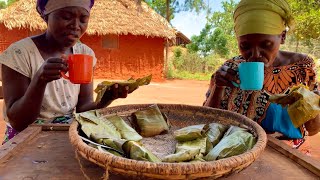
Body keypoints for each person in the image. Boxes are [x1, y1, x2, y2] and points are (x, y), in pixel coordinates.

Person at [0, 0, 129, 144]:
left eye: (83, 20)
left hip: (66, 133)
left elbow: (83, 108)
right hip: (24, 138)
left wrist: (104, 100)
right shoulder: (19, 54)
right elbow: (18, 122)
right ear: (46, 16)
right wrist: (40, 80)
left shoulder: (85, 54)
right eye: (66, 17)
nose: (75, 26)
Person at [203, 0, 320, 155]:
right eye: (245, 46)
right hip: (234, 149)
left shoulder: (302, 68)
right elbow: (206, 120)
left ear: (283, 37)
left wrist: (314, 104)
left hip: (283, 154)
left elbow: (313, 129)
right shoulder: (230, 69)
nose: (255, 55)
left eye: (266, 45)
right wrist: (218, 88)